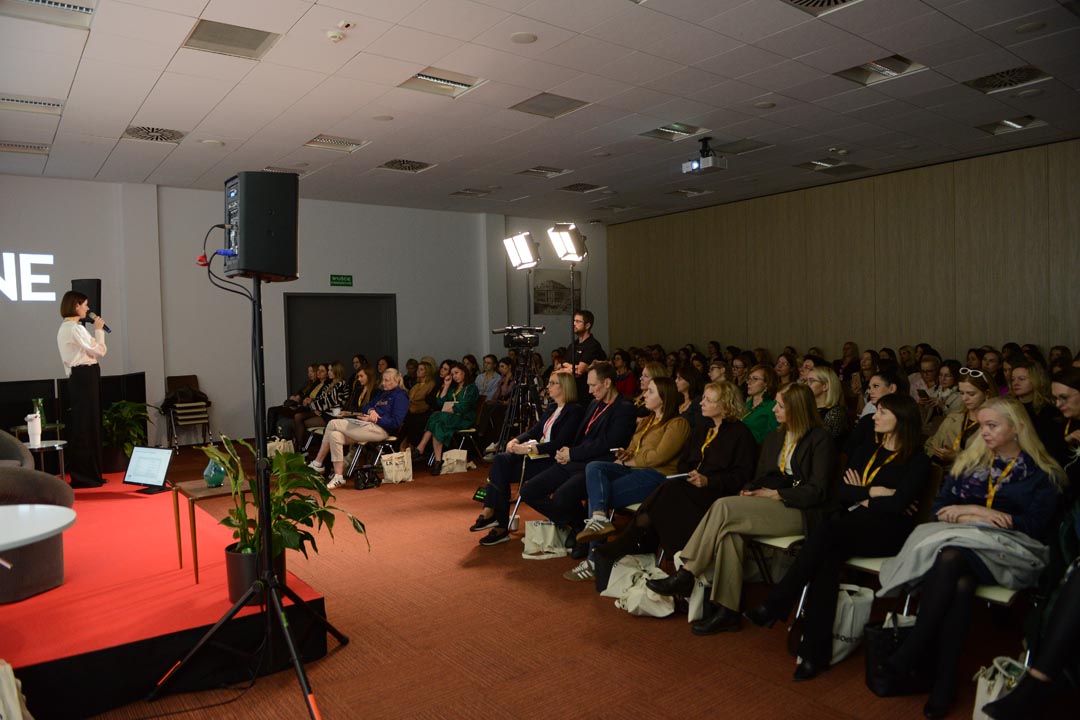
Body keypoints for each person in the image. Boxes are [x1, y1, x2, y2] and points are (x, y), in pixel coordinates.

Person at [875, 398, 1064, 719]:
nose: (984, 432)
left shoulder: (1040, 472)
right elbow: (939, 509)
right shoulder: (969, 463)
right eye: (982, 425)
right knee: (960, 583)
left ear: (1017, 428)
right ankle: (945, 682)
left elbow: (1034, 526)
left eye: (992, 425)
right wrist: (977, 514)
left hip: (1010, 553)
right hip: (962, 546)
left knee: (950, 559)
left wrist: (972, 511)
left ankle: (916, 645)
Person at [746, 394, 929, 680]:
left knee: (826, 532)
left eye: (882, 412)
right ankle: (812, 654)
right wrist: (874, 492)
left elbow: (897, 506)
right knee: (827, 560)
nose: (875, 416)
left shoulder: (918, 461)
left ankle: (777, 604)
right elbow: (841, 493)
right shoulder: (867, 449)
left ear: (902, 418)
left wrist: (864, 495)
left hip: (888, 533)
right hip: (852, 525)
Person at [646, 383, 836, 634]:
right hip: (767, 502)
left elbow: (818, 490)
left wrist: (777, 494)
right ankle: (728, 611)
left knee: (724, 506)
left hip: (800, 509)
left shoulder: (819, 439)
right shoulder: (776, 436)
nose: (774, 410)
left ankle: (688, 572)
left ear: (797, 409)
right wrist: (748, 491)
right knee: (729, 533)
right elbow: (759, 476)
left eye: (780, 406)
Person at [596, 381, 757, 562]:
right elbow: (684, 461)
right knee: (668, 491)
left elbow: (742, 475)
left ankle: (637, 542)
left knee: (668, 491)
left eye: (708, 400)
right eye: (703, 398)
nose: (701, 402)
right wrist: (688, 474)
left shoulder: (740, 434)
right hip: (689, 486)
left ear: (725, 406)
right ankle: (654, 548)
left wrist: (708, 480)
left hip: (715, 492)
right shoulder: (703, 429)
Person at [520, 362, 636, 577]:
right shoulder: (594, 404)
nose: (589, 390)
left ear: (607, 383)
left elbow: (609, 443)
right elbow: (581, 436)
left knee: (563, 496)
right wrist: (565, 452)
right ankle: (579, 526)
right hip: (575, 460)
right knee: (528, 491)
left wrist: (573, 453)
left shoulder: (624, 408)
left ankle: (583, 531)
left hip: (597, 466)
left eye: (593, 385)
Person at [471, 373, 584, 546]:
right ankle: (491, 512)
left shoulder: (574, 410)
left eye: (552, 383)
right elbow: (535, 431)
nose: (548, 386)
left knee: (502, 470)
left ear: (564, 387)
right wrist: (515, 440)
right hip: (538, 456)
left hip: (554, 459)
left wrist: (528, 449)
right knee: (501, 461)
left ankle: (498, 522)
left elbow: (560, 442)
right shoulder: (552, 408)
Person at [575, 377, 691, 546]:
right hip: (635, 470)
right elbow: (633, 448)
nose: (645, 395)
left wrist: (627, 462)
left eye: (650, 391)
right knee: (594, 467)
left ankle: (594, 550)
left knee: (599, 495)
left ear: (664, 398)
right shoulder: (647, 420)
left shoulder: (678, 423)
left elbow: (658, 457)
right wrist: (625, 454)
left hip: (657, 475)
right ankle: (599, 521)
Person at [309, 368, 408, 488]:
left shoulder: (401, 396)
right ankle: (338, 476)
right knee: (335, 436)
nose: (383, 383)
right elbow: (366, 406)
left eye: (386, 380)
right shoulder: (383, 394)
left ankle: (318, 463)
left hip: (381, 430)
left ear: (396, 381)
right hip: (367, 426)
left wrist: (375, 419)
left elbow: (396, 422)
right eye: (383, 380)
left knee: (333, 424)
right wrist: (371, 411)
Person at [56, 290, 108, 488]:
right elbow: (99, 350)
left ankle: (92, 474)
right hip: (83, 377)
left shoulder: (71, 328)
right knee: (86, 425)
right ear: (76, 305)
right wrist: (99, 331)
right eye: (85, 304)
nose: (87, 308)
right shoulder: (73, 329)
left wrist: (95, 341)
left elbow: (94, 350)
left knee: (89, 424)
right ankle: (86, 476)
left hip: (84, 376)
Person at [411, 362, 479, 475]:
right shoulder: (453, 388)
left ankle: (421, 447)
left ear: (464, 372)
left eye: (457, 373)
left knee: (436, 415)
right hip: (448, 418)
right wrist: (446, 386)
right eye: (452, 374)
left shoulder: (471, 388)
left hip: (464, 419)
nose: (455, 376)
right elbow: (440, 402)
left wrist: (451, 409)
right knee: (438, 424)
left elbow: (465, 406)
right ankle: (438, 461)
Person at [925, 367, 999, 467]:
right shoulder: (953, 418)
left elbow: (995, 461)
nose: (964, 398)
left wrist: (957, 457)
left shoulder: (997, 425)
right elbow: (930, 445)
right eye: (962, 393)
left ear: (987, 394)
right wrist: (936, 454)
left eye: (971, 394)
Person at [845, 366, 909, 455]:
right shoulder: (868, 413)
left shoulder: (906, 414)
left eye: (876, 386)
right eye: (869, 388)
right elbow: (850, 449)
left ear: (892, 388)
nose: (870, 391)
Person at [1010, 359, 1065, 458]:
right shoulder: (1008, 406)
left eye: (1022, 379)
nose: (1015, 383)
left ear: (1036, 380)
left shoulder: (1048, 410)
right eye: (1013, 379)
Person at [296, 361, 350, 449]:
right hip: (325, 413)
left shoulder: (341, 384)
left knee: (301, 422)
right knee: (299, 418)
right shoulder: (331, 384)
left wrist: (313, 406)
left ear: (337, 371)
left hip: (333, 415)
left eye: (331, 370)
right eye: (328, 370)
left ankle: (302, 448)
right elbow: (320, 399)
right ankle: (300, 448)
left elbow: (327, 402)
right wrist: (314, 407)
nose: (329, 372)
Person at [562, 310, 606, 405]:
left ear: (587, 325)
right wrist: (574, 368)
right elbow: (563, 364)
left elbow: (580, 371)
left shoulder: (593, 345)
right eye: (574, 321)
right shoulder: (573, 345)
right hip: (572, 394)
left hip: (587, 395)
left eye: (578, 321)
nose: (574, 324)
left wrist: (571, 368)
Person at [805, 365, 849, 444]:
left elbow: (822, 441)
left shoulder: (836, 413)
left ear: (825, 386)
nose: (806, 384)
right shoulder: (807, 408)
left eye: (811, 381)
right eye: (806, 380)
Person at [400, 359, 436, 449]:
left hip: (422, 411)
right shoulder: (416, 385)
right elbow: (409, 397)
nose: (418, 371)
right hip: (411, 410)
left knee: (409, 421)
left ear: (427, 372)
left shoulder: (431, 384)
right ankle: (403, 445)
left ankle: (407, 445)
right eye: (418, 369)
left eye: (421, 369)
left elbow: (422, 399)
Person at [742, 364, 779, 444]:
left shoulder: (772, 406)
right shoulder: (747, 404)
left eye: (755, 379)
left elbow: (772, 436)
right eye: (749, 378)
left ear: (767, 383)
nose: (749, 382)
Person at [675, 364, 705, 430]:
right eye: (676, 378)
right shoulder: (678, 400)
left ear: (690, 381)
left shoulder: (698, 402)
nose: (676, 381)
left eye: (680, 379)